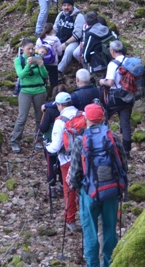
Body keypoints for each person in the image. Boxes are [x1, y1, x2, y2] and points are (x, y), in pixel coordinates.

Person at [68, 103, 128, 267]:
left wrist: (74, 186)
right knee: (109, 228)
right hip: (111, 191)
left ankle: (93, 264)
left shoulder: (81, 141)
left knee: (90, 231)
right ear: (102, 118)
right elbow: (123, 165)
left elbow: (73, 175)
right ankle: (108, 263)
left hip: (89, 193)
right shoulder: (113, 138)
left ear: (86, 119)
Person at [45, 92, 80, 230]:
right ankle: (86, 215)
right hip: (83, 157)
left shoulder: (60, 121)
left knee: (69, 188)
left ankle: (70, 218)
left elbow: (55, 146)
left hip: (67, 160)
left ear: (60, 105)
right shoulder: (81, 114)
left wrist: (46, 146)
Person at [11, 38, 48, 153]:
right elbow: (21, 75)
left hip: (40, 90)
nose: (31, 51)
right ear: (22, 49)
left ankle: (38, 140)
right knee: (22, 117)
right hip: (25, 91)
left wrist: (41, 65)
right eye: (28, 49)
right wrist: (28, 65)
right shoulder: (19, 60)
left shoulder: (38, 58)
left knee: (39, 117)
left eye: (32, 49)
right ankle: (15, 141)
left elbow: (45, 75)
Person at [99, 40, 134, 157]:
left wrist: (101, 81)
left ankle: (103, 144)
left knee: (103, 118)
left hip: (115, 98)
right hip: (129, 96)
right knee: (125, 123)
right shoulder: (129, 61)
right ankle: (127, 151)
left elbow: (110, 82)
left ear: (112, 51)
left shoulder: (112, 64)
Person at [56, 0, 85, 76]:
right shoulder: (60, 15)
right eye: (64, 5)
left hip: (73, 41)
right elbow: (55, 28)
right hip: (59, 39)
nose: (66, 7)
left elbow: (78, 34)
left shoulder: (78, 16)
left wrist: (66, 43)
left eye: (68, 5)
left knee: (69, 50)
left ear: (72, 6)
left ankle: (59, 70)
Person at [81, 11, 114, 77]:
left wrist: (85, 59)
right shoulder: (106, 29)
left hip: (97, 64)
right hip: (110, 59)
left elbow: (86, 51)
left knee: (100, 83)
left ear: (87, 22)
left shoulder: (91, 33)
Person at [36, 23, 63, 90]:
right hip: (53, 63)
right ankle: (54, 95)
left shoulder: (39, 39)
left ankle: (43, 95)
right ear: (52, 30)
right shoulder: (56, 39)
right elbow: (60, 52)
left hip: (42, 63)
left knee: (42, 80)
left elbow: (36, 51)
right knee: (54, 82)